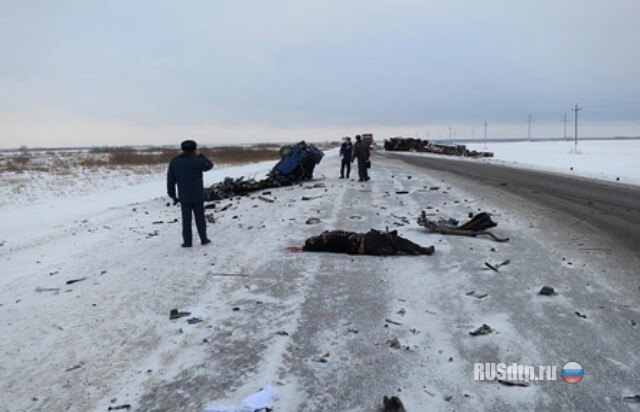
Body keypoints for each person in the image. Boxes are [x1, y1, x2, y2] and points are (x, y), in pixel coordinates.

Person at [167, 140, 214, 247]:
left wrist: (172, 195)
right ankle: (204, 239)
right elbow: (209, 165)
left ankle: (187, 242)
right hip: (198, 194)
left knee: (186, 220)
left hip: (184, 195)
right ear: (194, 149)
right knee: (200, 218)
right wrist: (200, 155)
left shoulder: (175, 162)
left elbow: (170, 180)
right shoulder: (198, 161)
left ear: (182, 148)